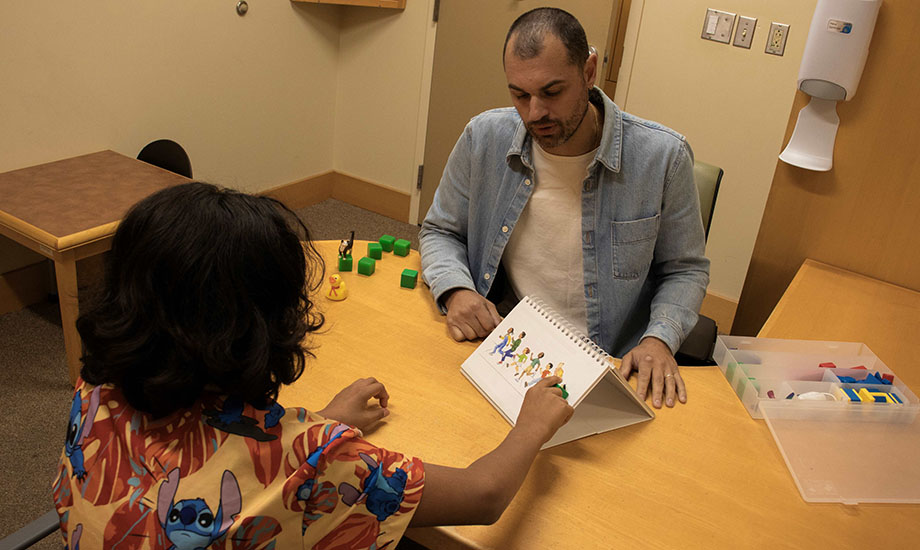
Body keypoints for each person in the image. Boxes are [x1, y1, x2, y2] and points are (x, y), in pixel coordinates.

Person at [54, 182, 573, 549]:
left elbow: (224, 452)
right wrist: (530, 426)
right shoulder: (315, 465)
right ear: (266, 326)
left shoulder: (97, 385)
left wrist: (320, 423)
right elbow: (482, 497)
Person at [419, 8, 710, 409]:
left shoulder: (663, 158)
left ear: (589, 72)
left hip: (612, 363)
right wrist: (456, 290)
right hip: (508, 347)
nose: (535, 113)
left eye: (552, 92)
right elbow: (440, 231)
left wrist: (659, 338)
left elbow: (684, 268)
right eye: (520, 95)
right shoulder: (483, 137)